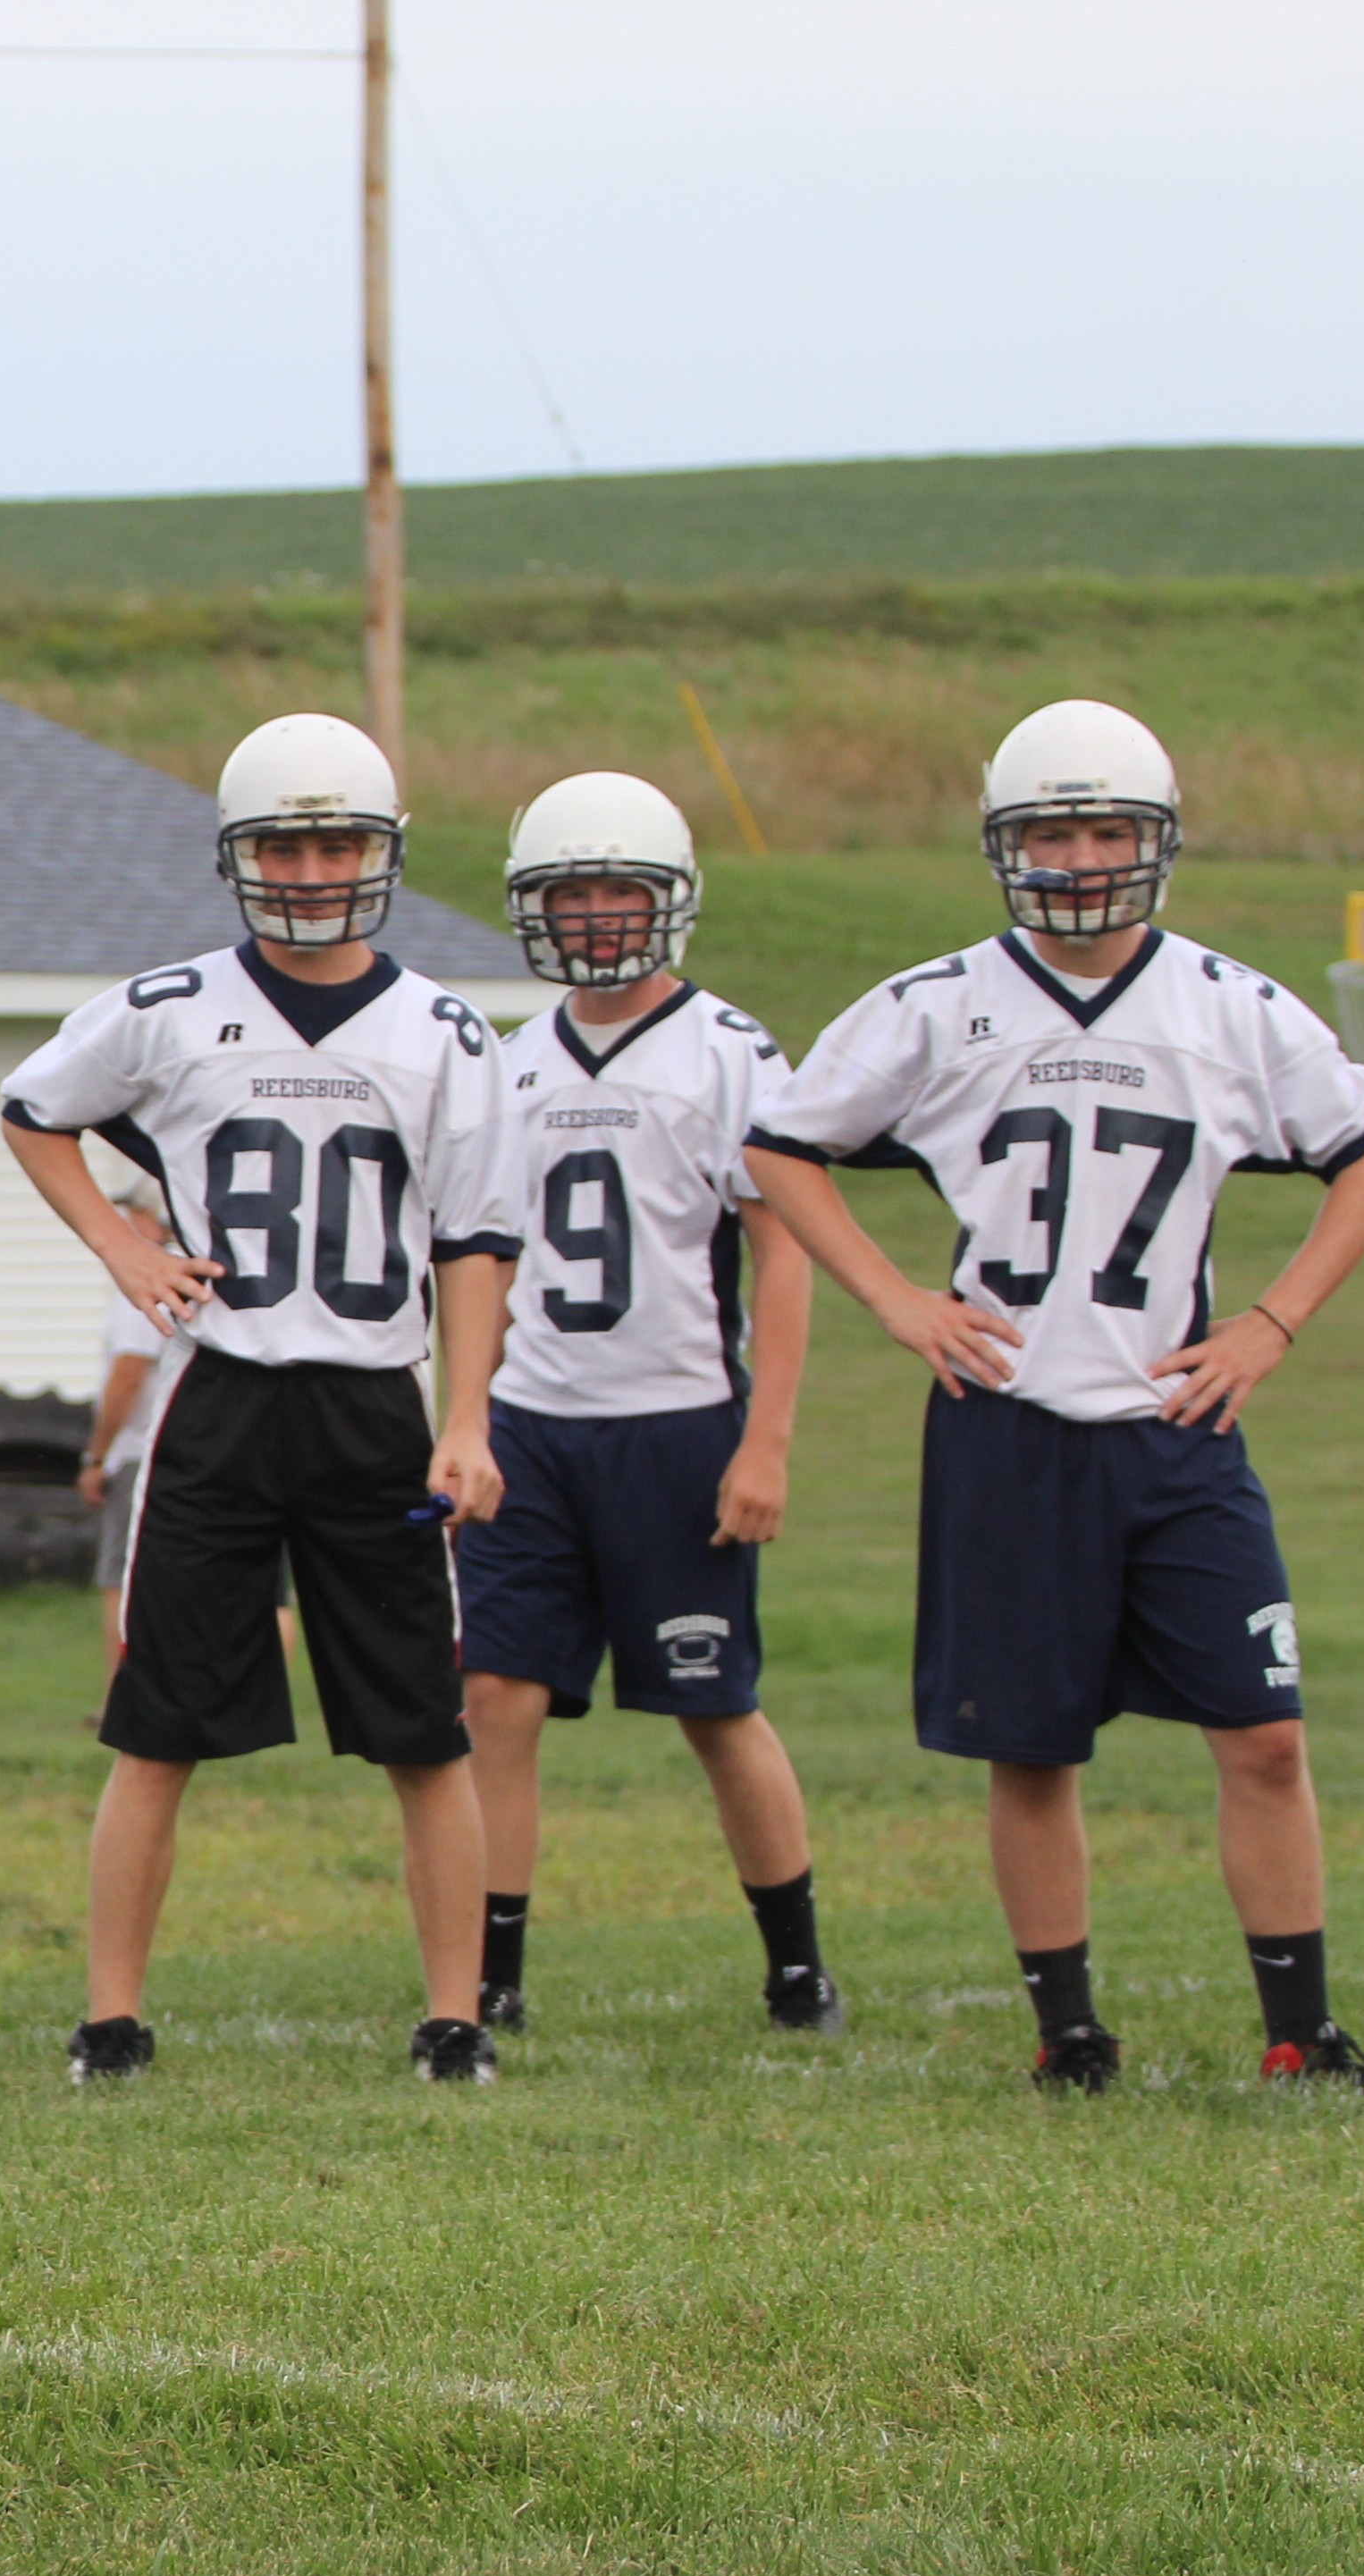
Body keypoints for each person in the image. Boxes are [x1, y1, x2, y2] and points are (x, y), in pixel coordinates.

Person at [745, 699, 1364, 2091]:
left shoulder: (1227, 1003)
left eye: (1111, 828)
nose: (1085, 856)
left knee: (1268, 1734)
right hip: (1008, 1428)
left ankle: (1303, 2028)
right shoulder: (938, 1004)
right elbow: (786, 1149)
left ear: (1157, 840)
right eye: (1055, 829)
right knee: (1032, 1752)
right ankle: (1071, 2036)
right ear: (1007, 843)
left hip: (1179, 1429)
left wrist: (1272, 1324)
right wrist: (895, 1297)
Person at [1, 711, 520, 2088]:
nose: (310, 869)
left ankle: (455, 2017)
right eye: (284, 845)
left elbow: (473, 1244)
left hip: (371, 1407)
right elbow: (31, 1110)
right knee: (156, 1722)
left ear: (383, 851)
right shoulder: (170, 1009)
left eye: (336, 841)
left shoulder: (447, 1033)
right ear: (242, 857)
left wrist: (466, 1418)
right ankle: (110, 2018)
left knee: (423, 1725)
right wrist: (122, 1245)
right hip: (219, 1401)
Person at [456, 773, 840, 2040]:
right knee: (494, 1701)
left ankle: (797, 1968)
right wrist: (461, 1417)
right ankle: (490, 1974)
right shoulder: (506, 1065)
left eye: (624, 890)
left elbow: (783, 1252)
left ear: (669, 901)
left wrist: (765, 1441)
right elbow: (479, 1259)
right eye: (574, 892)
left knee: (713, 1705)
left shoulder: (732, 1054)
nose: (600, 915)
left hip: (677, 1423)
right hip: (531, 1426)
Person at [75, 1157, 179, 1691]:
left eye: (134, 1214)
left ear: (154, 1222)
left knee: (121, 1577)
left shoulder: (145, 1282)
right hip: (186, 1448)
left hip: (141, 1451)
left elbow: (127, 1376)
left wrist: (96, 1455)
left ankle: (127, 1691)